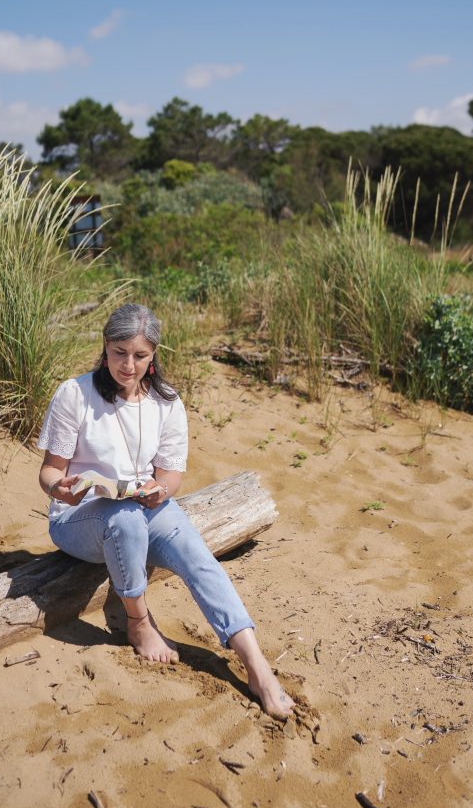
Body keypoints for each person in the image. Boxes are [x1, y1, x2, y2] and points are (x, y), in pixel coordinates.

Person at [37, 302, 295, 719]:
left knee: (197, 555)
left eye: (139, 356)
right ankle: (139, 622)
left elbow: (170, 476)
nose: (128, 365)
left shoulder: (166, 402)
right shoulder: (75, 394)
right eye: (120, 352)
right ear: (105, 348)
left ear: (154, 354)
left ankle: (256, 664)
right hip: (79, 518)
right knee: (123, 520)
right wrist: (60, 489)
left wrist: (160, 491)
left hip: (142, 507)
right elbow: (50, 471)